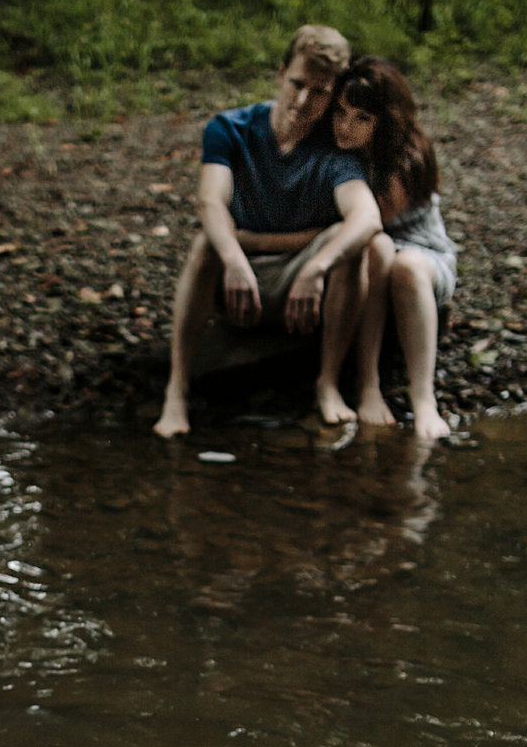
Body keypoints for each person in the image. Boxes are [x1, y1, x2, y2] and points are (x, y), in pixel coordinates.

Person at [154, 26, 386, 438]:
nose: (302, 101)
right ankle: (177, 390)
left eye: (318, 92)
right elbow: (210, 201)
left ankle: (327, 384)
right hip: (238, 271)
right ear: (280, 74)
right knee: (206, 242)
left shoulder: (333, 149)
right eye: (297, 84)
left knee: (354, 246)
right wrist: (234, 259)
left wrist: (317, 268)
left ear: (332, 94)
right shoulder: (231, 128)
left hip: (300, 277)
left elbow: (367, 218)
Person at [327, 57, 459, 441]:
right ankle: (366, 384)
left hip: (423, 256)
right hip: (373, 252)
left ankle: (424, 400)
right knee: (379, 251)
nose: (345, 127)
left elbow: (367, 224)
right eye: (340, 112)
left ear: (385, 121)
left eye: (361, 118)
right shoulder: (336, 149)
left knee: (401, 263)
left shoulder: (404, 161)